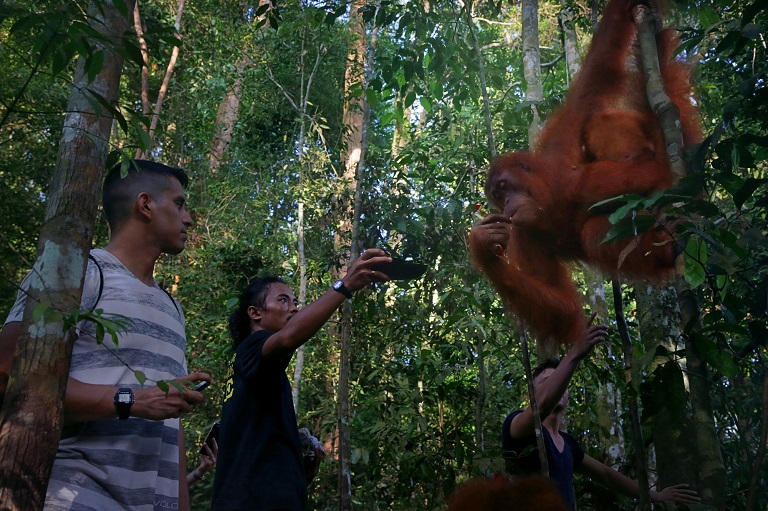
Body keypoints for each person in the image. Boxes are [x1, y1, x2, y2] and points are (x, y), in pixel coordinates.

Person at [0, 160, 212, 511]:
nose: (188, 218)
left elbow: (170, 423)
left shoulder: (172, 307)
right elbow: (9, 375)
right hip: (75, 496)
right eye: (179, 204)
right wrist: (131, 400)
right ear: (145, 205)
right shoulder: (76, 273)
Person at [210, 249, 392, 511]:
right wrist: (345, 285)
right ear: (255, 313)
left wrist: (297, 469)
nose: (294, 307)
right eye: (283, 300)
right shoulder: (253, 347)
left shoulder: (255, 368)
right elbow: (288, 338)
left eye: (294, 301)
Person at [502, 316, 701, 510]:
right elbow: (543, 405)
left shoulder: (569, 445)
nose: (556, 386)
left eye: (560, 382)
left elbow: (606, 474)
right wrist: (574, 354)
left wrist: (655, 496)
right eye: (546, 382)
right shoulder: (517, 425)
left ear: (568, 398)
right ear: (531, 397)